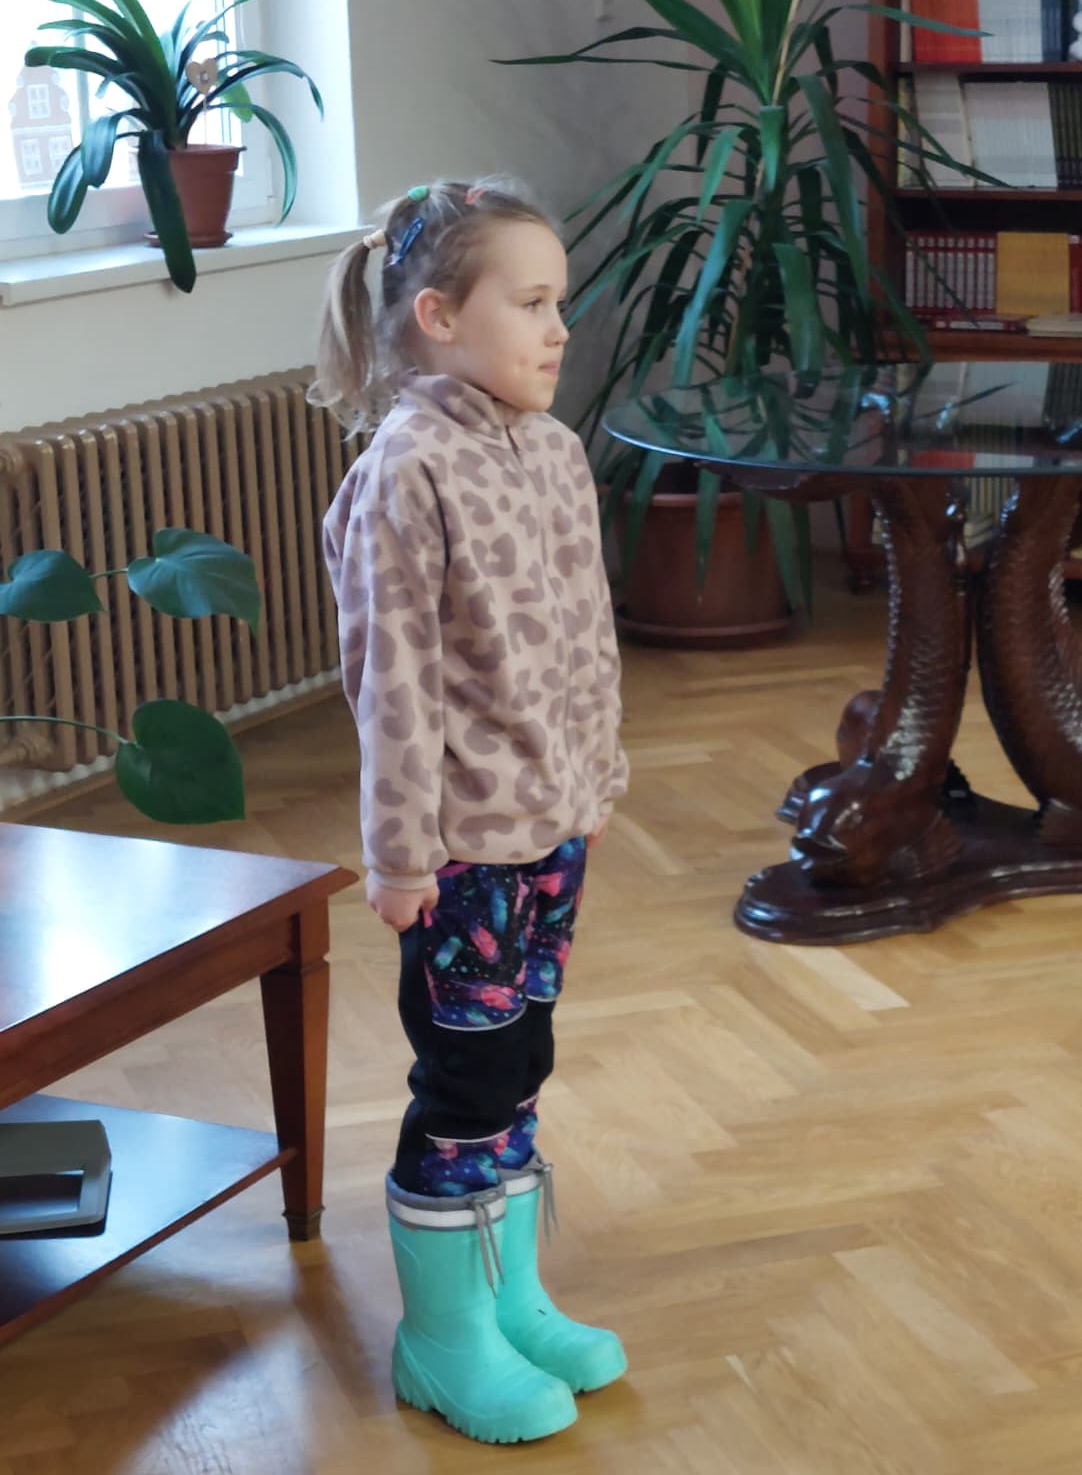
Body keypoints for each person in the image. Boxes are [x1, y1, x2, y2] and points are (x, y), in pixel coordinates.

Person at [314, 178, 629, 1445]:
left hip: (552, 829)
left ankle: (511, 1298)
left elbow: (590, 637)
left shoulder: (553, 450)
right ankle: (442, 1338)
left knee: (522, 1059)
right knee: (466, 1077)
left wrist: (595, 780)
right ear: (438, 316)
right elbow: (390, 687)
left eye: (562, 303)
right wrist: (399, 856)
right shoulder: (406, 471)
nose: (560, 329)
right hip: (460, 854)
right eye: (533, 303)